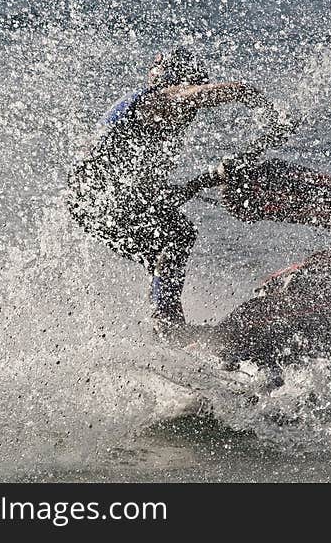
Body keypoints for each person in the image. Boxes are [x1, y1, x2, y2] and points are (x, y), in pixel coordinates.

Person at [67, 47, 285, 341]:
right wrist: (252, 97)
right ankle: (166, 322)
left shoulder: (147, 123)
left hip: (90, 205)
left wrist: (208, 178)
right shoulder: (155, 102)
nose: (191, 115)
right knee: (177, 234)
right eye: (191, 91)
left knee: (166, 245)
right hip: (98, 200)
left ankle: (164, 322)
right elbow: (190, 95)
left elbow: (159, 195)